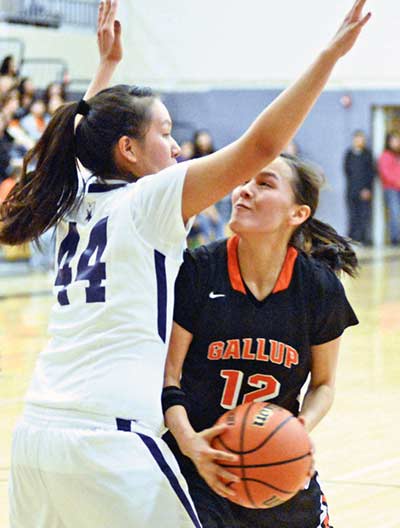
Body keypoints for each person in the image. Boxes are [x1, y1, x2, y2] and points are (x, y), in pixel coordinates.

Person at [1, 0, 370, 526]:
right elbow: (262, 145)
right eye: (165, 133)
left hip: (36, 433)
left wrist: (105, 69)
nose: (176, 148)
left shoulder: (75, 198)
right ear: (128, 150)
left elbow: (78, 139)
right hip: (112, 437)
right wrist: (331, 55)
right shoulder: (148, 200)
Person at [163, 154, 359, 528]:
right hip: (197, 463)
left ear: (297, 214)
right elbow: (168, 378)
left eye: (264, 184)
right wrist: (191, 443)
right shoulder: (199, 271)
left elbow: (323, 385)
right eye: (244, 181)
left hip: (275, 460)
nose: (243, 191)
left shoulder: (318, 288)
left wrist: (299, 429)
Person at [344, 130, 374, 245]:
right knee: (353, 215)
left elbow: (371, 173)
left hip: (364, 190)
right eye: (357, 138)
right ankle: (352, 238)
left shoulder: (367, 154)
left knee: (364, 215)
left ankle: (363, 238)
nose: (359, 141)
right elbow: (347, 171)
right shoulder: (349, 154)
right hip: (352, 190)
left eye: (361, 139)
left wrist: (367, 188)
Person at [377, 131, 400, 245]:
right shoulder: (385, 156)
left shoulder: (398, 156)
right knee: (395, 213)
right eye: (395, 140)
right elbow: (385, 174)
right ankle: (395, 239)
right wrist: (397, 182)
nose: (397, 142)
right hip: (391, 190)